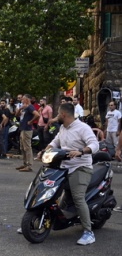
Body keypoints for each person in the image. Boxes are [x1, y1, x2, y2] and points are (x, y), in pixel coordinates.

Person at [36, 102, 100, 245]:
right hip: (63, 167)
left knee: (78, 198)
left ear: (64, 114)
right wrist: (43, 151)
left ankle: (88, 232)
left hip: (80, 167)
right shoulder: (63, 128)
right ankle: (38, 220)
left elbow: (95, 144)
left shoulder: (83, 128)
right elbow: (54, 142)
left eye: (58, 114)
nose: (57, 116)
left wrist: (81, 151)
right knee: (50, 191)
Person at [15, 94, 40, 172]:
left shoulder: (30, 107)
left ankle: (29, 165)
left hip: (27, 129)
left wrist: (31, 122)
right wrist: (20, 109)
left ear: (27, 99)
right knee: (23, 148)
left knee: (27, 148)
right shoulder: (25, 108)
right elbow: (17, 116)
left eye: (23, 99)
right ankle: (25, 163)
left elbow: (37, 114)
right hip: (22, 128)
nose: (22, 100)